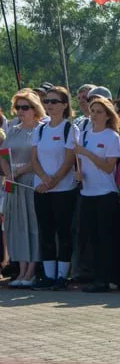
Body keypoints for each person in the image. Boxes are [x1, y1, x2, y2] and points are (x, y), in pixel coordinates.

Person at [31, 85, 79, 290]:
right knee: (46, 232)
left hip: (63, 189)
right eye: (47, 101)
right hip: (41, 188)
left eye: (54, 102)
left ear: (65, 105)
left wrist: (53, 181)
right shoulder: (39, 128)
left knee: (63, 232)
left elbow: (69, 159)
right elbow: (34, 157)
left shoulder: (70, 128)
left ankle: (62, 275)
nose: (49, 105)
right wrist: (43, 179)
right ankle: (49, 275)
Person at [74, 98, 120, 292]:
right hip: (88, 192)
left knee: (104, 237)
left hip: (106, 192)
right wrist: (78, 173)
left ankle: (105, 278)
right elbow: (80, 163)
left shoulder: (112, 136)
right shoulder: (84, 134)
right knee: (91, 237)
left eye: (99, 111)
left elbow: (108, 166)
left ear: (108, 115)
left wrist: (87, 153)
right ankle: (95, 276)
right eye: (92, 111)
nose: (94, 115)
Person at [2, 91, 46, 287]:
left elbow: (38, 158)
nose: (20, 111)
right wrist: (9, 173)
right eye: (18, 107)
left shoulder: (41, 129)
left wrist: (21, 171)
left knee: (33, 225)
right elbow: (3, 154)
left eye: (25, 107)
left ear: (34, 109)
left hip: (31, 180)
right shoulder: (13, 129)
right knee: (16, 226)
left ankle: (31, 270)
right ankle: (21, 270)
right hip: (14, 183)